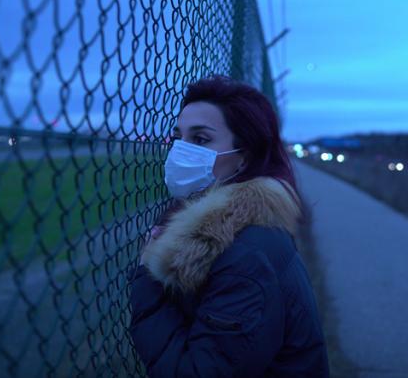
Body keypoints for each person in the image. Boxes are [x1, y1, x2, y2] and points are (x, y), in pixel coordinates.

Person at [127, 74, 330, 377]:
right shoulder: (252, 225)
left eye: (200, 139)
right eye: (177, 137)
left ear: (243, 157)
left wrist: (147, 280)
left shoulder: (245, 255)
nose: (180, 151)